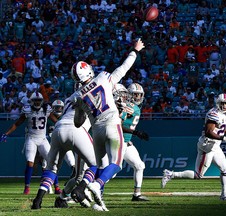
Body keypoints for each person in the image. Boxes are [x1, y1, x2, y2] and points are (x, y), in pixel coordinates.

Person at [34, 39, 144, 211]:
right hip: (111, 123)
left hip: (95, 130)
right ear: (88, 71)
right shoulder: (103, 77)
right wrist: (135, 51)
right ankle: (94, 186)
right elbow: (122, 69)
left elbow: (78, 122)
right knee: (115, 164)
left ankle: (95, 200)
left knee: (95, 165)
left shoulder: (77, 96)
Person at [161, 93, 226, 201]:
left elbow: (223, 126)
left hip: (215, 145)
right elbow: (208, 132)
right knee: (198, 175)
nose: (225, 106)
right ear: (218, 103)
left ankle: (224, 195)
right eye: (223, 103)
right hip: (208, 145)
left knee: (225, 169)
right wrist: (224, 138)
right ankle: (171, 174)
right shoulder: (213, 114)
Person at [31, 87, 103, 209]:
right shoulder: (93, 97)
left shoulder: (70, 98)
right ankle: (80, 190)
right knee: (96, 164)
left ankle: (37, 200)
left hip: (58, 128)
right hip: (77, 131)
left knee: (51, 169)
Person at [0, 92, 59, 195]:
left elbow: (56, 121)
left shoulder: (46, 109)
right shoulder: (27, 110)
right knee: (30, 162)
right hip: (31, 138)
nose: (37, 102)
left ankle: (56, 186)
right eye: (35, 100)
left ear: (41, 101)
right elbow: (17, 123)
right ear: (32, 101)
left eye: (39, 100)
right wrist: (7, 133)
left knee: (51, 162)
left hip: (43, 139)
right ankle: (27, 187)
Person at [115, 83, 150, 201]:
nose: (138, 97)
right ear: (129, 94)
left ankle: (136, 194)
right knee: (113, 170)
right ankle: (90, 187)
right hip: (118, 142)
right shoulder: (128, 107)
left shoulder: (134, 107)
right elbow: (118, 125)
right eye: (135, 95)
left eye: (140, 95)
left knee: (140, 165)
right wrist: (136, 133)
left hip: (126, 142)